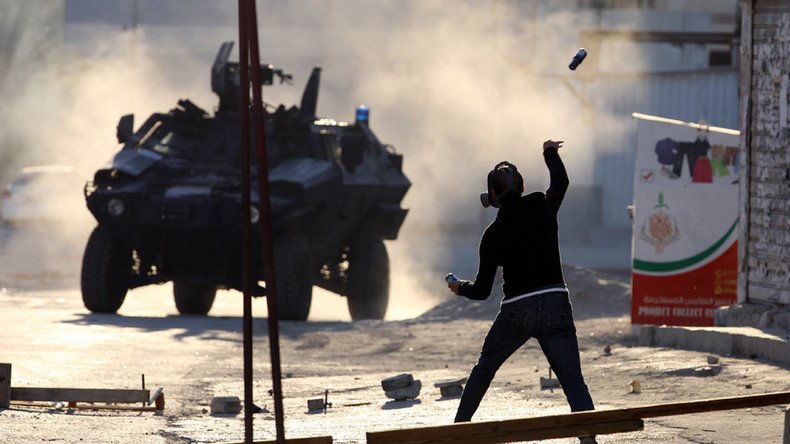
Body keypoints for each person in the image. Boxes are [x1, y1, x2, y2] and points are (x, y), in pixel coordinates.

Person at [448, 140, 595, 429]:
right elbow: (562, 181)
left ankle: (458, 432)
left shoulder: (492, 234)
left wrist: (459, 286)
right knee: (573, 381)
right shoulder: (541, 203)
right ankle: (589, 436)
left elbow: (482, 292)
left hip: (518, 310)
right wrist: (549, 152)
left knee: (484, 370)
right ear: (523, 187)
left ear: (492, 196)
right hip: (556, 304)